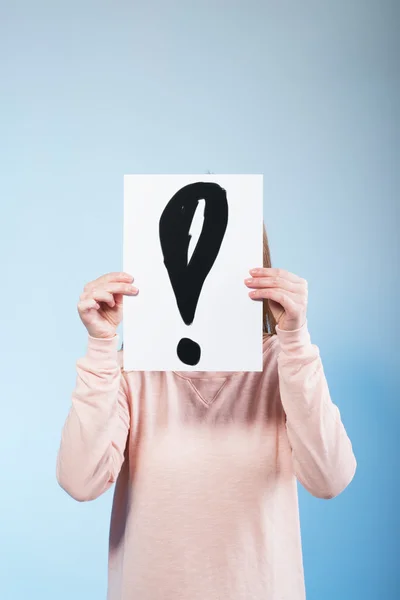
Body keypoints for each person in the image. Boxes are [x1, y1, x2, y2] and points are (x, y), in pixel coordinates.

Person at [56, 224, 356, 600]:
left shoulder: (286, 364)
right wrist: (101, 347)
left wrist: (295, 341)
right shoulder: (129, 371)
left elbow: (330, 478)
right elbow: (80, 481)